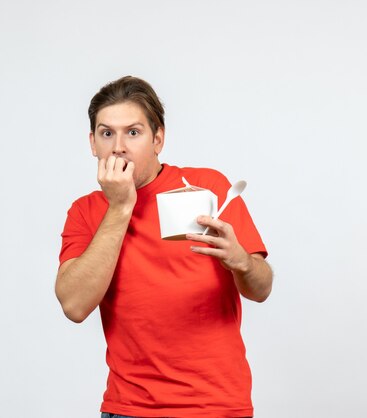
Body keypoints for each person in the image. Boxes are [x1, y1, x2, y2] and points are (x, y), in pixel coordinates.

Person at [55, 76, 273, 418]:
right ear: (92, 143)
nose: (119, 146)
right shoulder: (85, 211)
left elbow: (262, 288)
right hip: (129, 409)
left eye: (133, 132)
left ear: (158, 138)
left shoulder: (209, 188)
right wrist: (120, 207)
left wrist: (242, 261)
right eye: (107, 133)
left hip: (216, 407)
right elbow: (74, 305)